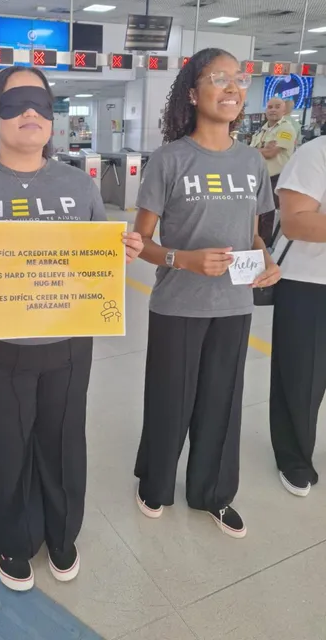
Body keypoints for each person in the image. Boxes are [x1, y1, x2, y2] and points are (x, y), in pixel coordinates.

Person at [0, 66, 143, 591]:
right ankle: (12, 541)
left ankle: (63, 535)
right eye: (17, 102)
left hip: (69, 342)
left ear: (52, 118)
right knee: (4, 444)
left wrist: (121, 254)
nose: (31, 114)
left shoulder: (77, 183)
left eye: (42, 104)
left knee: (63, 441)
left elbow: (94, 259)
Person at [133, 48, 280, 539]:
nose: (233, 87)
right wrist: (184, 259)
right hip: (178, 305)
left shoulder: (252, 163)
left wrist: (265, 259)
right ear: (194, 94)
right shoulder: (170, 160)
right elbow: (141, 244)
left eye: (239, 78)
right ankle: (154, 484)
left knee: (222, 400)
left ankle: (212, 493)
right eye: (219, 78)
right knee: (170, 401)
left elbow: (254, 234)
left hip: (234, 306)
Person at [270, 136, 326, 497]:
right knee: (301, 377)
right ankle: (294, 459)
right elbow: (295, 222)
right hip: (311, 284)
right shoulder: (316, 152)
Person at [250, 98, 297, 246]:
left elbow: (271, 153)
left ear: (284, 110)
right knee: (255, 213)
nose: (273, 110)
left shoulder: (286, 129)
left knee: (267, 216)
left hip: (275, 178)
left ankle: (265, 248)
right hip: (259, 177)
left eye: (277, 107)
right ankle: (254, 243)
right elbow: (252, 152)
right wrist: (262, 149)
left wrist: (256, 150)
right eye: (270, 107)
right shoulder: (262, 130)